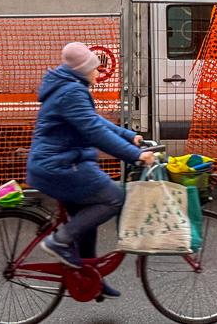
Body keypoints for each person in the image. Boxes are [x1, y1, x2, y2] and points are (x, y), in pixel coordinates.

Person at [26, 42, 155, 299]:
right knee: (114, 197)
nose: (98, 72)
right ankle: (60, 241)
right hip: (60, 167)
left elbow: (94, 121)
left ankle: (90, 275)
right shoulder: (72, 92)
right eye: (95, 68)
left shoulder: (70, 87)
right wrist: (135, 156)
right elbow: (93, 132)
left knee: (87, 218)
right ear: (84, 69)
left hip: (63, 162)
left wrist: (130, 137)